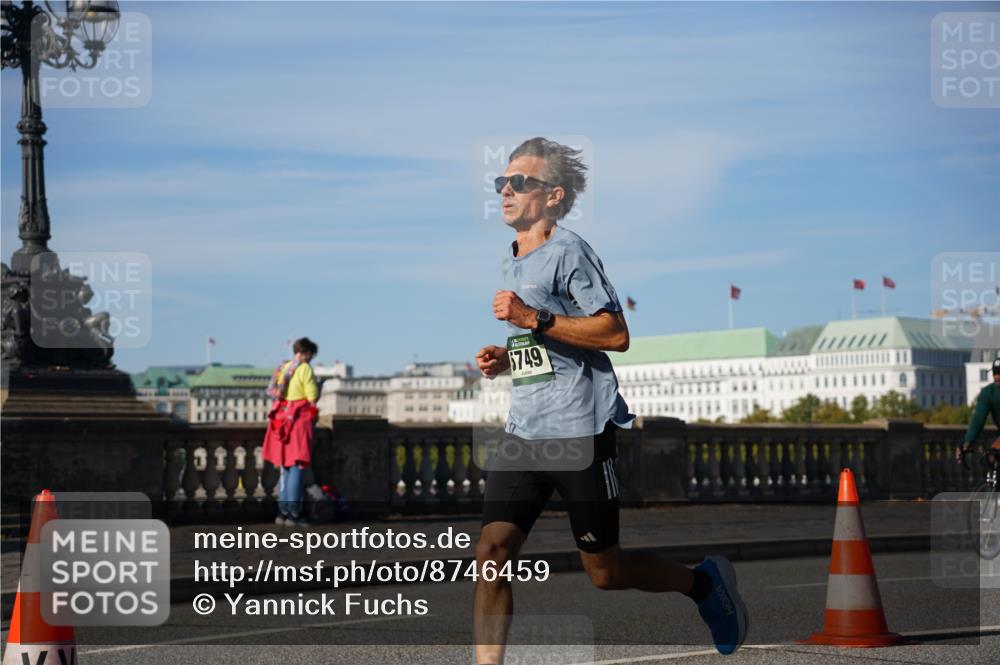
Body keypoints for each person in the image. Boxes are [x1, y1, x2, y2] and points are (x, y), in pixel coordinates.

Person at [472, 137, 748, 664]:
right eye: (500, 183)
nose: (505, 191)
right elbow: (551, 343)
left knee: (605, 572)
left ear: (553, 195)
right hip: (524, 431)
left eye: (519, 182)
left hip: (579, 429)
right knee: (492, 554)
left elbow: (615, 333)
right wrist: (509, 358)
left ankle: (703, 584)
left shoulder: (568, 249)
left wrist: (533, 320)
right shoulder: (514, 259)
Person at [263, 337, 320, 527]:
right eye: (311, 355)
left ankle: (282, 512)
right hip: (298, 421)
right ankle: (294, 514)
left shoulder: (283, 367)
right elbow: (312, 395)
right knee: (297, 467)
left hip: (281, 421)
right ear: (308, 353)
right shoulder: (305, 368)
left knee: (285, 468)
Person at [955, 357, 1000, 464]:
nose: (997, 376)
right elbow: (978, 420)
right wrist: (967, 443)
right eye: (995, 373)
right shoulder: (988, 392)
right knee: (991, 461)